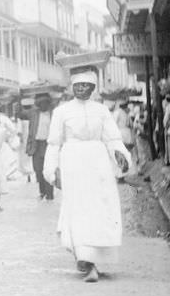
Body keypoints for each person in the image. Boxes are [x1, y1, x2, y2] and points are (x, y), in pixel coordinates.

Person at [44, 69, 131, 283]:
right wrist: (52, 169)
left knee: (99, 207)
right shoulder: (62, 111)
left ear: (93, 89)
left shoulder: (101, 110)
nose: (82, 89)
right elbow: (54, 143)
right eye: (78, 85)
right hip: (73, 162)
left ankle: (92, 257)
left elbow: (112, 138)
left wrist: (120, 154)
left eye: (87, 86)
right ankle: (85, 260)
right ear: (72, 87)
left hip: (98, 163)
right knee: (78, 208)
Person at [26, 93, 54, 201]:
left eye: (45, 103)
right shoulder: (34, 114)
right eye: (41, 103)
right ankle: (42, 192)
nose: (43, 105)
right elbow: (20, 113)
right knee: (38, 170)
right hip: (36, 145)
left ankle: (50, 194)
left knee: (49, 169)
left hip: (49, 145)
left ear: (48, 104)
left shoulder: (53, 114)